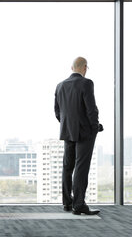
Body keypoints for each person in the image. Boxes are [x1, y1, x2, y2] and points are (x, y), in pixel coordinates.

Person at [54, 57, 103, 215]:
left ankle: (67, 203)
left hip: (67, 132)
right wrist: (95, 127)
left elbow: (57, 111)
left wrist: (68, 125)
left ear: (71, 67)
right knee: (81, 168)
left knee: (68, 168)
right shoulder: (86, 83)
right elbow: (91, 109)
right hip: (84, 133)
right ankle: (79, 204)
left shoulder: (60, 86)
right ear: (84, 67)